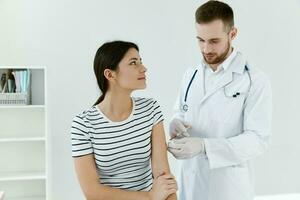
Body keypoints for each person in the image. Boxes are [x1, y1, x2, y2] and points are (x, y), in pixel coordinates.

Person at [167, 1, 272, 200]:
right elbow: (180, 111)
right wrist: (175, 123)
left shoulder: (254, 81)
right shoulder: (190, 75)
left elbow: (257, 140)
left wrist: (205, 146)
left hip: (227, 189)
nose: (206, 49)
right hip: (190, 184)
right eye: (200, 40)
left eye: (214, 41)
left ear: (232, 34)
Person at [71, 41, 177, 200]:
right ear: (110, 74)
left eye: (140, 61)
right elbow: (92, 192)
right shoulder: (83, 124)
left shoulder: (151, 109)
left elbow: (164, 178)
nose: (143, 68)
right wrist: (148, 197)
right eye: (133, 63)